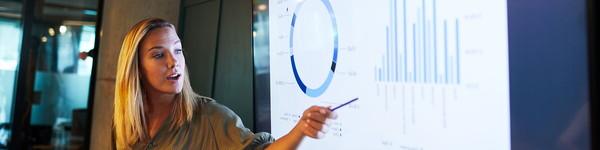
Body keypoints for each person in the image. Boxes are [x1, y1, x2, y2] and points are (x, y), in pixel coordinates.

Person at [113, 18, 335, 149]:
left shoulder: (210, 116)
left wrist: (300, 130)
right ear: (136, 68)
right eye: (159, 55)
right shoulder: (124, 125)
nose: (174, 62)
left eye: (178, 51)